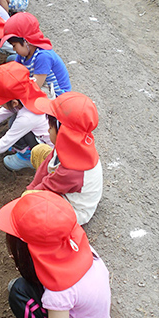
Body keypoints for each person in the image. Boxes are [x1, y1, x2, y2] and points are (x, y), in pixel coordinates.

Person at [0, 191, 111, 318]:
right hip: (93, 317)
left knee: (18, 292)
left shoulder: (59, 292)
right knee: (21, 288)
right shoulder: (74, 244)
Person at [22, 91, 103, 225]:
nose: (48, 131)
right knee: (40, 151)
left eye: (51, 127)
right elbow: (46, 165)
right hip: (64, 183)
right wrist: (31, 188)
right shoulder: (71, 144)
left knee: (31, 207)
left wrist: (29, 196)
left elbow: (49, 186)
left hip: (76, 209)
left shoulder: (73, 170)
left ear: (63, 132)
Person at [0, 12, 71, 94]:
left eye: (14, 45)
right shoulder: (23, 54)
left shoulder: (43, 57)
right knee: (11, 60)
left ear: (26, 41)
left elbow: (35, 88)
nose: (13, 49)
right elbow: (14, 71)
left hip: (57, 94)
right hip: (42, 85)